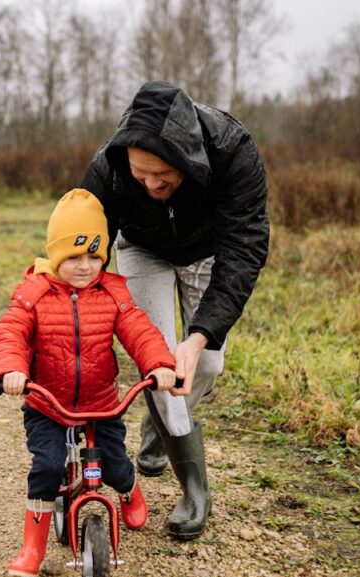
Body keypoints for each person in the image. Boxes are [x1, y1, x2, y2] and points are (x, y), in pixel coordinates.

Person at [79, 81, 270, 540]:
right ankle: (194, 490)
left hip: (206, 249)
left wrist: (201, 333)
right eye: (141, 174)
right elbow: (83, 244)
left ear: (189, 156)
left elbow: (244, 248)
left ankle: (160, 422)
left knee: (205, 363)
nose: (151, 184)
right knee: (161, 362)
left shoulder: (232, 150)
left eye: (163, 174)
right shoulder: (108, 166)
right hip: (143, 249)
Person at [0, 188, 178, 577]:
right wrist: (12, 370)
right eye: (74, 256)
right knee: (47, 467)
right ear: (56, 255)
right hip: (48, 404)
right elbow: (11, 332)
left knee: (115, 465)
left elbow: (139, 330)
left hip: (101, 402)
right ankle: (32, 548)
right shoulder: (36, 293)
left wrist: (160, 364)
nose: (85, 266)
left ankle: (128, 489)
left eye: (94, 255)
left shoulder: (112, 292)